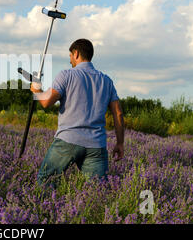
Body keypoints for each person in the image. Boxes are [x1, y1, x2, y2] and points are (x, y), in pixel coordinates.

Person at [30, 38, 124, 186]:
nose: (70, 61)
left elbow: (46, 102)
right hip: (97, 145)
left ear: (76, 53)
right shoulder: (107, 81)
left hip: (68, 140)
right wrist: (120, 143)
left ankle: (46, 210)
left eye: (70, 56)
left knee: (46, 181)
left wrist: (36, 90)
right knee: (98, 192)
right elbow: (118, 113)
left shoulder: (66, 75)